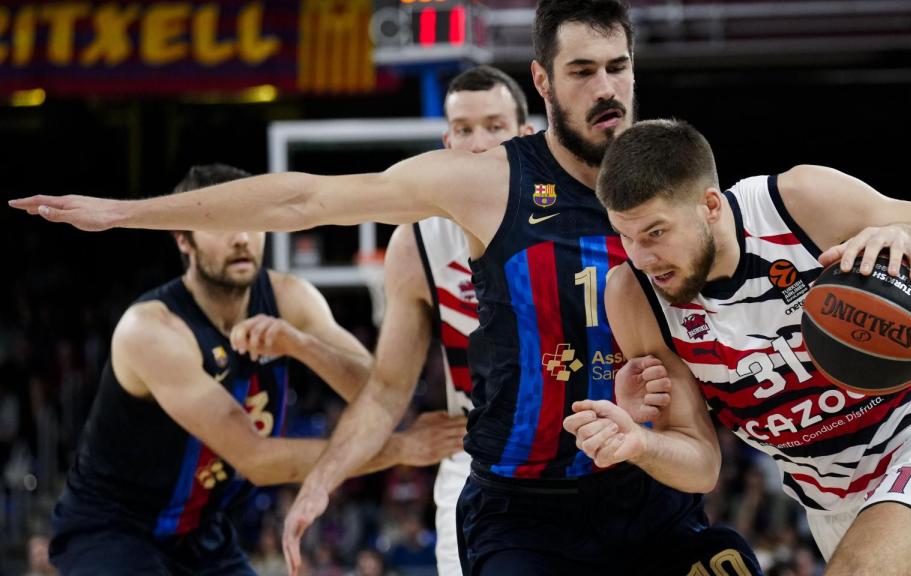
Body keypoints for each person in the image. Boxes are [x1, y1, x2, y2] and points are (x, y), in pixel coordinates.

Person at [10, 2, 763, 575]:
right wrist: (127, 213)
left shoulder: (675, 178)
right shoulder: (485, 184)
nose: (606, 89)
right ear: (543, 82)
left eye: (618, 67)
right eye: (582, 71)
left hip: (647, 486)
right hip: (524, 503)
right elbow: (305, 201)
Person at [574, 119, 911, 576]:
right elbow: (702, 465)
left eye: (656, 233)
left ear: (710, 206)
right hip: (831, 509)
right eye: (625, 235)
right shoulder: (634, 295)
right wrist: (640, 442)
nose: (641, 256)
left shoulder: (797, 203)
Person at [45, 164, 464, 575]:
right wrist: (400, 449)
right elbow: (257, 461)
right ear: (183, 238)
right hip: (113, 529)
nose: (242, 238)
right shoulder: (151, 330)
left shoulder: (290, 297)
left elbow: (378, 393)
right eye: (222, 225)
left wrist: (303, 346)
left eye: (251, 221)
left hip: (202, 534)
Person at [340, 65, 533, 576]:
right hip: (478, 457)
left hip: (583, 446)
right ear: (447, 144)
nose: (478, 143)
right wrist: (319, 484)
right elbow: (387, 387)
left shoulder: (577, 214)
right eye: (464, 130)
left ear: (526, 135)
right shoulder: (417, 240)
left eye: (494, 126)